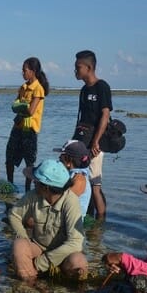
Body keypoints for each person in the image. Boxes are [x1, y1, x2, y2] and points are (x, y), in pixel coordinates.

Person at [10, 159, 88, 281]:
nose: (34, 183)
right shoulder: (33, 195)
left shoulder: (71, 202)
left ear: (46, 187)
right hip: (39, 247)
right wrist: (23, 236)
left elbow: (75, 243)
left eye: (36, 181)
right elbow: (14, 215)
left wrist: (41, 263)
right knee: (19, 245)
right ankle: (29, 283)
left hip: (64, 253)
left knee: (78, 262)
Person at [73, 50, 113, 220]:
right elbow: (81, 119)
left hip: (96, 143)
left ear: (89, 67)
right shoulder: (83, 90)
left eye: (78, 67)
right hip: (82, 141)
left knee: (95, 184)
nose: (75, 70)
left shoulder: (101, 87)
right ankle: (87, 216)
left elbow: (105, 114)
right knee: (80, 179)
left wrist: (96, 142)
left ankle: (101, 221)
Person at [5, 57, 49, 192]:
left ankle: (27, 189)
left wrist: (21, 108)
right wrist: (21, 107)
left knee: (29, 162)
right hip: (17, 127)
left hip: (30, 130)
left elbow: (30, 111)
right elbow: (14, 106)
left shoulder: (38, 89)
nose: (23, 73)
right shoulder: (23, 88)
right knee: (9, 158)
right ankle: (10, 185)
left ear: (33, 71)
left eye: (25, 70)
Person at [55, 140, 91, 216]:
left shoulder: (79, 179)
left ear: (69, 161)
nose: (59, 157)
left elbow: (65, 201)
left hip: (71, 221)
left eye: (62, 155)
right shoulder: (73, 174)